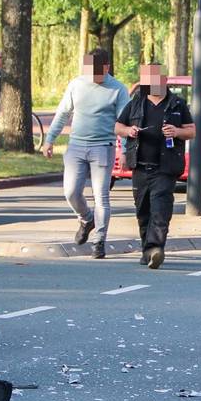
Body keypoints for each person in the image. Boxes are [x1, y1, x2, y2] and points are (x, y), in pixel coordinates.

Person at [41, 48, 128, 259]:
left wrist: (123, 150)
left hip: (103, 146)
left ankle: (99, 241)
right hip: (76, 146)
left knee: (102, 196)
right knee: (71, 192)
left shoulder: (118, 89)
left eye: (97, 71)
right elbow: (63, 113)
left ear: (107, 67)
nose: (93, 76)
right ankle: (86, 218)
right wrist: (49, 139)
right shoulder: (77, 84)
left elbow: (124, 123)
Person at [115, 62, 194, 269]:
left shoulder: (177, 103)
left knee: (160, 209)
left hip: (165, 166)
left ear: (164, 80)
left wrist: (176, 132)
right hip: (140, 165)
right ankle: (147, 250)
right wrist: (129, 131)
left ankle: (156, 248)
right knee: (143, 211)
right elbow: (118, 126)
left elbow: (192, 131)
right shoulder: (136, 102)